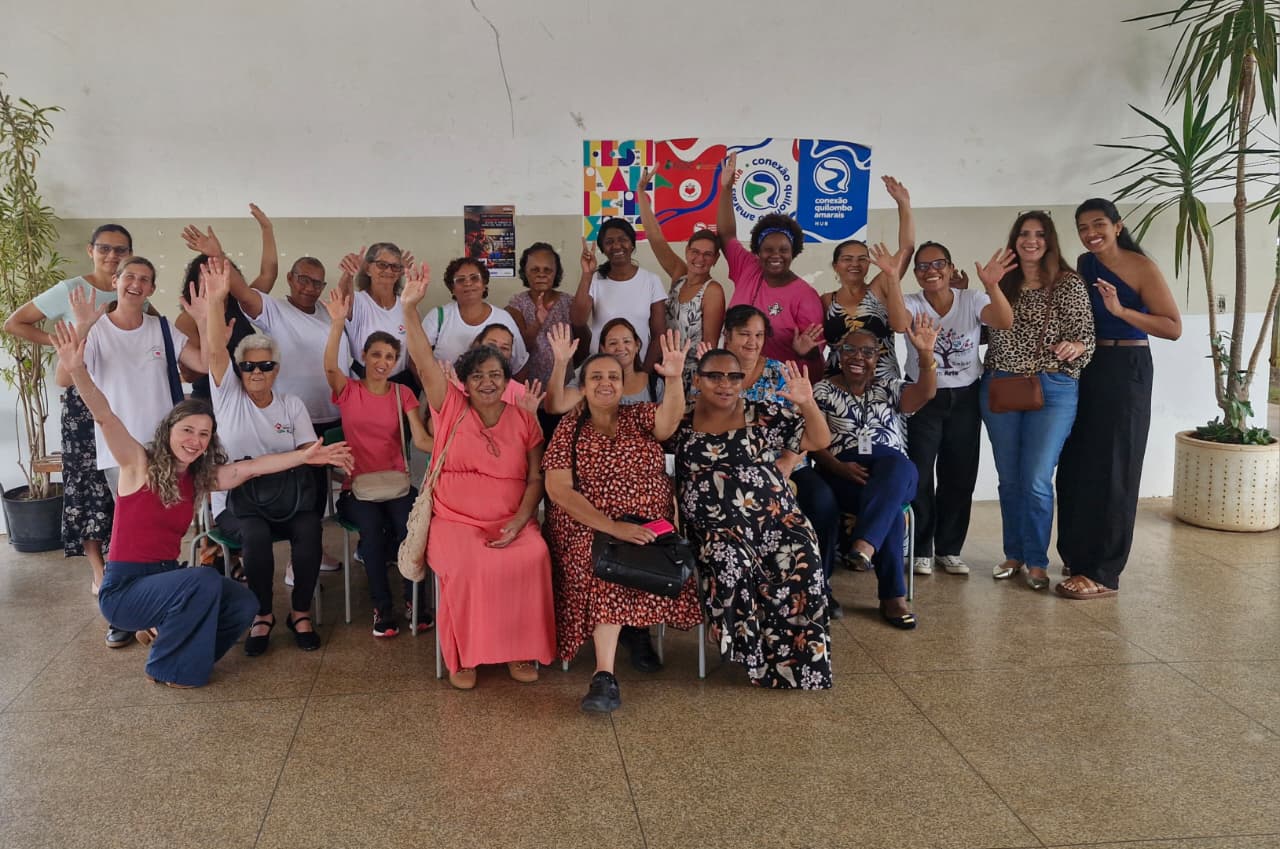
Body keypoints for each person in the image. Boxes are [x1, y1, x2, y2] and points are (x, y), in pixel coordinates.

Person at [51, 321, 352, 688]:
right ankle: (164, 666)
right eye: (188, 431)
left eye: (204, 435)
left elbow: (251, 468)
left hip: (165, 580)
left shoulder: (199, 478)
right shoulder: (138, 464)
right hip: (125, 588)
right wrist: (78, 369)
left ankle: (185, 653)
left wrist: (306, 457)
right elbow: (105, 415)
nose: (195, 440)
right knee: (204, 578)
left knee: (241, 605)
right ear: (170, 430)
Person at [400, 264, 556, 689]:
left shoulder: (524, 417)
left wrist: (521, 521)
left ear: (507, 380)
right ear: (464, 382)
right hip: (456, 522)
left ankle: (520, 651)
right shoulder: (449, 408)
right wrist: (409, 308)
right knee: (469, 565)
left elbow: (536, 479)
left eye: (496, 375)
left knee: (533, 556)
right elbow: (421, 358)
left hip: (513, 518)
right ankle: (464, 655)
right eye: (477, 376)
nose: (487, 382)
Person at [543, 335, 702, 713]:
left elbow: (668, 423)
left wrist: (676, 378)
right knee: (604, 566)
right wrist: (612, 526)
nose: (605, 384)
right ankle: (604, 675)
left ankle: (637, 631)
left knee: (644, 552)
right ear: (582, 387)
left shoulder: (638, 415)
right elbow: (559, 490)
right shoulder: (571, 427)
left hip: (649, 524)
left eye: (613, 376)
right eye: (596, 377)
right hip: (589, 527)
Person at [670, 349, 833, 687]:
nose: (725, 384)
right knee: (728, 559)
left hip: (776, 517)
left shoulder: (761, 413)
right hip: (716, 527)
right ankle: (753, 655)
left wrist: (807, 404)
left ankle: (799, 663)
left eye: (733, 377)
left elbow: (819, 439)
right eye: (715, 376)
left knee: (804, 552)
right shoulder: (680, 417)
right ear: (698, 380)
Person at [1055, 198, 1182, 599]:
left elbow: (1172, 327)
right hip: (1089, 364)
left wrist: (1121, 309)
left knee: (1116, 466)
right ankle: (1077, 554)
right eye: (1083, 227)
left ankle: (1104, 571)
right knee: (1076, 462)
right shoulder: (1084, 263)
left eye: (1098, 225)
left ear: (1118, 225)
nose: (1091, 233)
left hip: (1127, 365)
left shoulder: (1142, 267)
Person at [3, 223, 131, 610]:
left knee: (125, 483)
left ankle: (126, 562)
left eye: (121, 250)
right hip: (81, 400)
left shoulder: (132, 288)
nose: (112, 256)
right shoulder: (71, 290)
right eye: (105, 249)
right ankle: (98, 569)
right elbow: (14, 322)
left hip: (125, 399)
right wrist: (64, 344)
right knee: (86, 484)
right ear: (91, 250)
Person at [202, 257, 325, 655]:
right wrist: (216, 301)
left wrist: (327, 455)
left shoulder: (291, 405)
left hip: (285, 498)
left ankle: (300, 611)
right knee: (253, 535)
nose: (257, 372)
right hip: (237, 505)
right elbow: (216, 355)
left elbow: (308, 449)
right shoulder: (227, 398)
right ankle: (262, 614)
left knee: (309, 529)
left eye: (266, 366)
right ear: (239, 369)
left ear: (276, 369)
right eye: (250, 366)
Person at [981, 211, 1095, 590]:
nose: (1031, 240)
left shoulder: (1068, 283)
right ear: (1014, 240)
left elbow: (1086, 339)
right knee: (1009, 478)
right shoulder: (1002, 282)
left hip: (1052, 387)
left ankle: (1037, 560)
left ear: (1050, 241)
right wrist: (989, 286)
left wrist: (1075, 345)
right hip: (1001, 385)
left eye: (1039, 234)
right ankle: (1013, 553)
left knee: (1035, 478)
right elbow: (990, 325)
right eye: (1024, 234)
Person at [812, 321, 940, 629]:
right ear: (838, 354)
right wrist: (837, 466)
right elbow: (811, 441)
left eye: (867, 352)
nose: (858, 357)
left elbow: (926, 392)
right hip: (842, 472)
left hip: (891, 470)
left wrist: (925, 353)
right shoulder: (823, 390)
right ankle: (892, 596)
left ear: (878, 356)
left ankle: (865, 547)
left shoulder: (889, 386)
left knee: (899, 468)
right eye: (850, 350)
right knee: (891, 509)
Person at [323, 289, 434, 637]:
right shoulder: (349, 391)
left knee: (410, 531)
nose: (382, 361)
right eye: (375, 354)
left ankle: (417, 601)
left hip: (397, 484)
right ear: (365, 356)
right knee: (370, 535)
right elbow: (329, 365)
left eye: (389, 355)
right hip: (358, 487)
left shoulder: (404, 394)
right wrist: (338, 323)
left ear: (397, 360)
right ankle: (381, 608)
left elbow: (420, 438)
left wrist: (453, 450)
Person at [904, 242, 1015, 576]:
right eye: (922, 266)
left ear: (951, 268)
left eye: (938, 264)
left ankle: (949, 549)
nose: (931, 271)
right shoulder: (912, 302)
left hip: (966, 397)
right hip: (924, 395)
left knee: (959, 475)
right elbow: (897, 322)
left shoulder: (972, 299)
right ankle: (921, 548)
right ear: (916, 274)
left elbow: (1004, 321)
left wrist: (992, 285)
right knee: (920, 474)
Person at [716, 152, 824, 376]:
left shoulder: (806, 296)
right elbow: (726, 234)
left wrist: (805, 351)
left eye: (784, 250)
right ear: (757, 251)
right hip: (734, 380)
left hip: (779, 390)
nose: (776, 255)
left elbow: (816, 357)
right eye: (768, 249)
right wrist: (726, 189)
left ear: (793, 252)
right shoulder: (748, 267)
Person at [176, 205, 279, 399]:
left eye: (219, 272)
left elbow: (268, 274)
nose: (213, 279)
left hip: (249, 396)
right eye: (207, 275)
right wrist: (214, 340)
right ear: (194, 285)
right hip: (211, 400)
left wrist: (267, 229)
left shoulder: (241, 304)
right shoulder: (188, 319)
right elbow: (190, 375)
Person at [635, 166, 726, 382]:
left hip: (692, 375)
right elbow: (655, 237)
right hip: (665, 368)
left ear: (715, 259)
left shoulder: (712, 291)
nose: (700, 259)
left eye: (707, 255)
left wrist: (702, 382)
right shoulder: (679, 275)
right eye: (695, 252)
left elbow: (709, 345)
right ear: (687, 251)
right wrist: (641, 193)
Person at [820, 177, 915, 379]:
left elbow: (907, 250)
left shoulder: (881, 286)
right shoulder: (826, 300)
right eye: (847, 259)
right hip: (838, 383)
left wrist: (904, 204)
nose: (855, 264)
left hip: (881, 381)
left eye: (862, 259)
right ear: (836, 266)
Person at [570, 219, 667, 364]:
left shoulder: (651, 280)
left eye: (623, 239)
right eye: (609, 242)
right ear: (602, 248)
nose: (616, 246)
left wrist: (644, 373)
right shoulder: (594, 279)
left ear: (632, 243)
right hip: (601, 367)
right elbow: (578, 320)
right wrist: (587, 275)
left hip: (638, 367)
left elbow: (658, 334)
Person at [337, 242, 421, 395]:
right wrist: (348, 273)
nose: (389, 270)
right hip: (364, 389)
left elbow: (415, 354)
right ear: (368, 269)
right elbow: (342, 299)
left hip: (399, 390)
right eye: (382, 265)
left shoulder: (407, 305)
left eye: (395, 266)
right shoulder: (359, 302)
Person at [421, 257, 528, 375]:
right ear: (452, 288)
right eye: (460, 280)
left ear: (484, 284)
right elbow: (416, 360)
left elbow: (520, 365)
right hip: (442, 392)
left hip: (491, 391)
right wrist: (433, 389)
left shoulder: (504, 318)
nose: (468, 283)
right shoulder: (437, 317)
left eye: (474, 278)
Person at [546, 318, 663, 413]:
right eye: (613, 343)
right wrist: (560, 362)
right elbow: (555, 407)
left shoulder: (655, 385)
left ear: (637, 345)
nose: (620, 348)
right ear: (603, 348)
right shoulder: (590, 375)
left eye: (627, 341)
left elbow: (666, 428)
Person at [506, 242, 577, 387]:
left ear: (556, 272)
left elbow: (582, 343)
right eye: (535, 269)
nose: (541, 274)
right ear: (525, 272)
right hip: (530, 388)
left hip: (563, 387)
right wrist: (538, 322)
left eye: (547, 270)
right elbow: (520, 349)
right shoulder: (516, 304)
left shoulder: (568, 302)